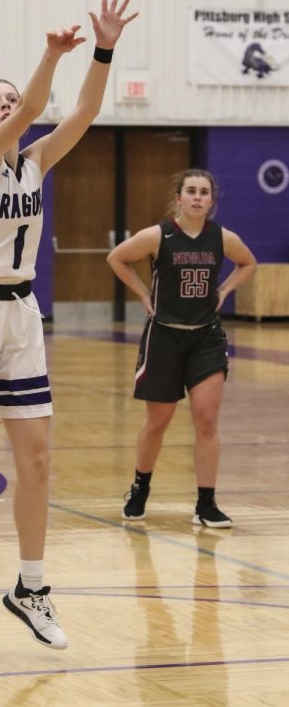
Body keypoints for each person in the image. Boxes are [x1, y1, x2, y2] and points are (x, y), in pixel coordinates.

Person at [0, 0, 138, 663]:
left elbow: (83, 111)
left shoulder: (36, 164)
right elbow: (27, 119)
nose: (6, 106)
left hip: (21, 315)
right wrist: (49, 55)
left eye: (10, 98)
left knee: (38, 461)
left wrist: (102, 49)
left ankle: (31, 588)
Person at [107, 169, 256, 528]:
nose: (197, 197)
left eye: (204, 192)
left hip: (206, 337)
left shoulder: (222, 238)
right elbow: (116, 258)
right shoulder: (159, 235)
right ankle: (140, 488)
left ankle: (206, 503)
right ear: (178, 198)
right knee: (158, 421)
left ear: (211, 201)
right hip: (164, 337)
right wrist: (144, 294)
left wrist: (224, 291)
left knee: (206, 419)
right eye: (191, 191)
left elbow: (248, 263)